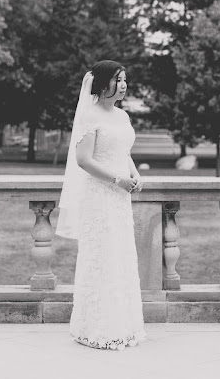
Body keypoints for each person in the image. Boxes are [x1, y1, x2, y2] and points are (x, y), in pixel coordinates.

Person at [56, 60, 145, 350]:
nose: (123, 85)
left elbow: (123, 151)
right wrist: (117, 179)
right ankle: (95, 327)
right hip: (100, 195)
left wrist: (134, 173)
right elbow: (84, 160)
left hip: (120, 198)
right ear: (104, 82)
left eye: (125, 80)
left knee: (121, 257)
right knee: (102, 258)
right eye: (118, 80)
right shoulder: (89, 115)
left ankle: (123, 325)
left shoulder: (122, 116)